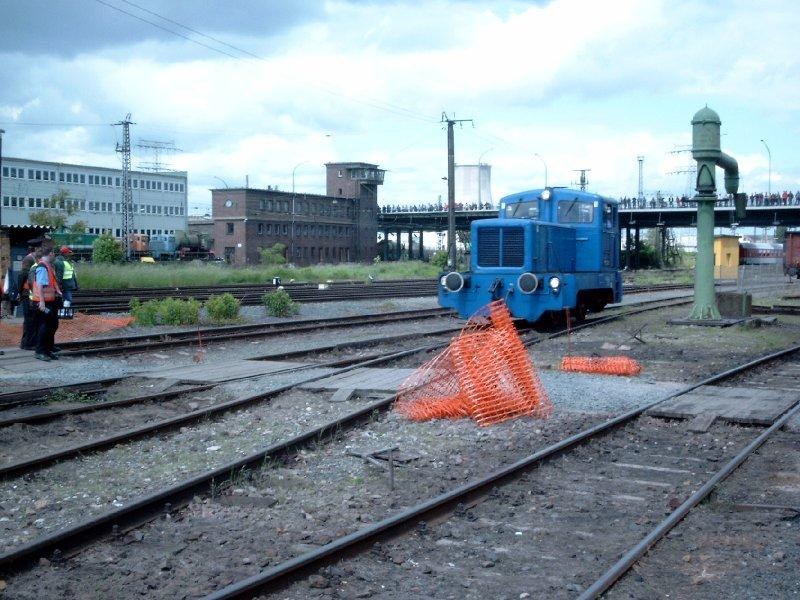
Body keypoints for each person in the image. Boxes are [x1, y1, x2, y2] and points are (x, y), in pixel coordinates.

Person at [30, 247, 62, 362]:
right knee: (44, 327)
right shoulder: (42, 266)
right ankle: (40, 351)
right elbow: (40, 285)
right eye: (54, 253)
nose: (55, 256)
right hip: (43, 303)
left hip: (49, 301)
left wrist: (57, 291)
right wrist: (42, 302)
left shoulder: (47, 266)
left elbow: (51, 283)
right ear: (51, 253)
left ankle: (47, 350)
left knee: (52, 325)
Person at [18, 241, 41, 350]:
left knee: (33, 319)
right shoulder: (29, 259)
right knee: (30, 319)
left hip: (32, 294)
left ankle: (31, 342)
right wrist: (19, 292)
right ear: (36, 248)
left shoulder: (36, 259)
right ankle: (27, 343)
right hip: (27, 294)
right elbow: (22, 275)